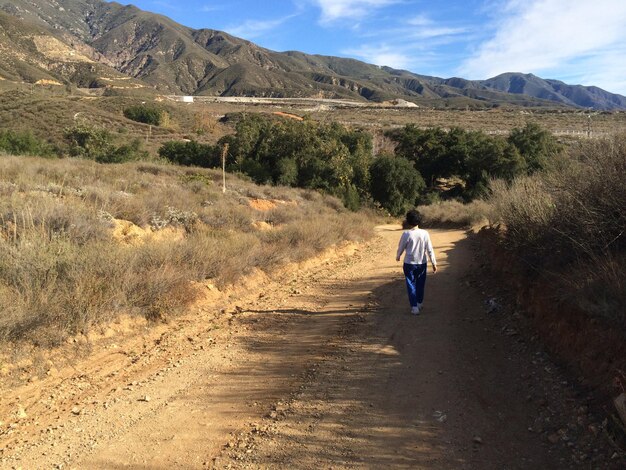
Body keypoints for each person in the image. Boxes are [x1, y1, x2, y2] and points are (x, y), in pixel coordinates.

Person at [396, 210, 437, 315]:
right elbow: (429, 249)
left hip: (409, 263)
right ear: (419, 221)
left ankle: (414, 307)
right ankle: (419, 303)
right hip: (422, 263)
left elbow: (401, 247)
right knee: (420, 283)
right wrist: (433, 262)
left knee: (410, 283)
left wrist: (398, 255)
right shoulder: (425, 233)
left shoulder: (406, 234)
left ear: (408, 221)